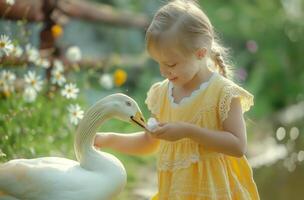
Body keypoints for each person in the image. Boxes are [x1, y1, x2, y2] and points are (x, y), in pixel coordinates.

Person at [94, 0, 260, 199]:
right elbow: (150, 141)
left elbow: (237, 146)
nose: (164, 71)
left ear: (201, 53)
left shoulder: (222, 93)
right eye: (159, 63)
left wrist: (188, 131)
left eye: (171, 64)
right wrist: (109, 139)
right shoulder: (162, 94)